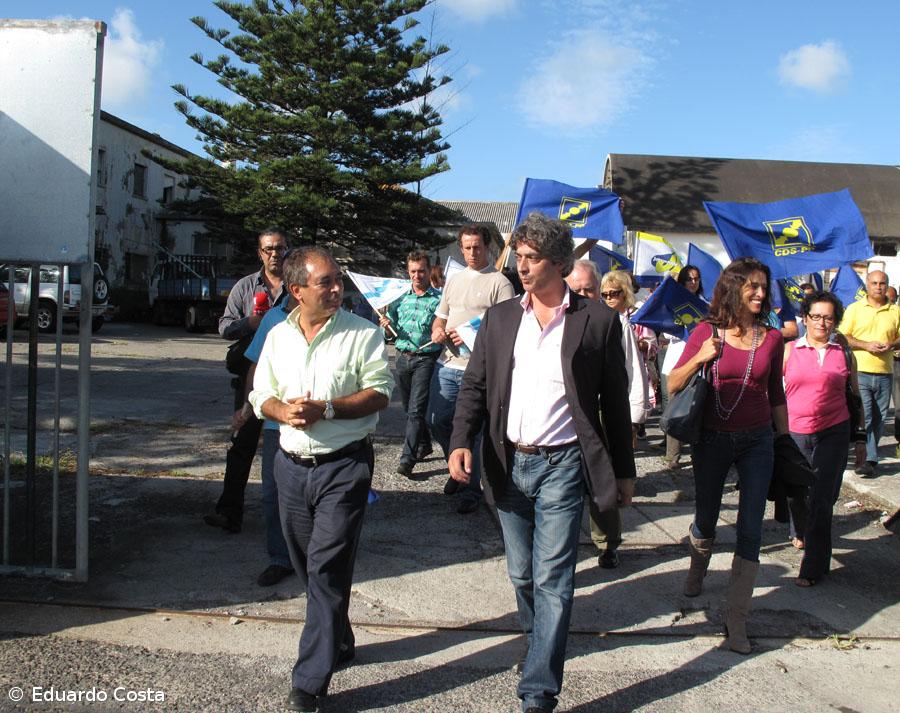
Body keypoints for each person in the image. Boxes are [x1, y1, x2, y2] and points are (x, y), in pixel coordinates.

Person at [448, 213, 635, 713]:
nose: (522, 268)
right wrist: (460, 440)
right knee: (522, 575)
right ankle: (537, 644)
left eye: (531, 260)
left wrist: (624, 472)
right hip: (508, 463)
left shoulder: (598, 321)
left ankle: (539, 688)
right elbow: (475, 385)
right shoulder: (502, 317)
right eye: (520, 259)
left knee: (555, 578)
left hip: (565, 466)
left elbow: (615, 403)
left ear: (558, 263)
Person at [249, 246, 393, 712]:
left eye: (338, 280)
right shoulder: (278, 334)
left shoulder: (363, 333)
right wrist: (281, 411)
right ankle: (340, 638)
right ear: (296, 291)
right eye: (325, 282)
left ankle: (309, 681)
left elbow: (380, 393)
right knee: (309, 567)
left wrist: (326, 409)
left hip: (343, 468)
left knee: (326, 567)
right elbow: (260, 394)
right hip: (289, 468)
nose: (337, 289)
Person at [669, 257, 788, 654]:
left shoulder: (772, 339)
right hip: (712, 439)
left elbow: (776, 394)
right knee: (706, 516)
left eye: (763, 287)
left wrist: (784, 440)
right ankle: (697, 566)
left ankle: (736, 619)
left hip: (758, 440)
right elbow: (672, 383)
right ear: (734, 288)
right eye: (752, 286)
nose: (759, 293)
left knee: (751, 526)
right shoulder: (706, 332)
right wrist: (702, 356)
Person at [205, 228, 288, 534]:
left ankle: (286, 519)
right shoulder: (245, 287)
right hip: (251, 376)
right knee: (242, 443)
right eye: (268, 249)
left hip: (289, 377)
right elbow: (225, 328)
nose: (274, 254)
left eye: (279, 248)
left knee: (286, 449)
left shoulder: (296, 287)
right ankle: (229, 512)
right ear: (260, 253)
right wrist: (250, 323)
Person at [429, 224, 515, 514]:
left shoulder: (500, 283)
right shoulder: (453, 281)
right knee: (436, 420)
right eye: (466, 247)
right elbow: (440, 317)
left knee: (474, 432)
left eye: (477, 246)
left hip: (478, 370)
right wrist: (438, 330)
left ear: (488, 246)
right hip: (447, 365)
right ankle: (457, 466)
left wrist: (469, 336)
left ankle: (469, 489)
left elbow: (507, 331)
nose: (471, 252)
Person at [783, 292, 866, 586]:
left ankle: (813, 566)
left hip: (834, 430)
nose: (821, 322)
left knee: (822, 498)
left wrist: (860, 438)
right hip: (796, 431)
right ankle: (800, 529)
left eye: (828, 317)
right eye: (816, 316)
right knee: (796, 494)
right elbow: (774, 394)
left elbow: (854, 396)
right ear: (805, 318)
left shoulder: (843, 352)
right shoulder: (790, 350)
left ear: (835, 321)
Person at [583, 267, 651, 569]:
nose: (584, 296)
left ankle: (607, 542)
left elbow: (633, 371)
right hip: (570, 413)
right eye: (577, 290)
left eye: (589, 290)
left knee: (603, 479)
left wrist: (634, 418)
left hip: (604, 410)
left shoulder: (613, 323)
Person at [237, 289, 297, 587]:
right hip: (277, 426)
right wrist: (248, 406)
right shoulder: (274, 319)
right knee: (273, 494)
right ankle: (280, 558)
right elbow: (255, 365)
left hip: (321, 425)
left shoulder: (336, 320)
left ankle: (317, 554)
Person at [379, 251, 441, 478]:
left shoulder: (439, 300)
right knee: (408, 408)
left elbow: (442, 324)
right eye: (413, 271)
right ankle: (424, 444)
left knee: (416, 410)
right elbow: (389, 331)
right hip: (402, 356)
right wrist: (386, 326)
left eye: (421, 271)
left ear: (428, 270)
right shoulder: (399, 297)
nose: (417, 275)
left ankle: (407, 458)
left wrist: (439, 332)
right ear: (408, 272)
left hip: (425, 357)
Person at [838, 270, 900, 477]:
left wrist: (891, 344)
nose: (878, 287)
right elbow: (843, 336)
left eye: (882, 283)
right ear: (867, 284)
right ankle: (868, 458)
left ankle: (868, 457)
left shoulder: (895, 311)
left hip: (885, 371)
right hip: (860, 370)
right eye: (874, 283)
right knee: (864, 416)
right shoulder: (855, 309)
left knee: (879, 417)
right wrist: (865, 345)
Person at [659, 265, 705, 470]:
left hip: (698, 363)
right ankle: (672, 456)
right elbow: (667, 333)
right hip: (675, 362)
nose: (693, 282)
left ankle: (699, 454)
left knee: (697, 409)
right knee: (674, 409)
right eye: (689, 279)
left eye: (696, 279)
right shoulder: (673, 304)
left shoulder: (704, 304)